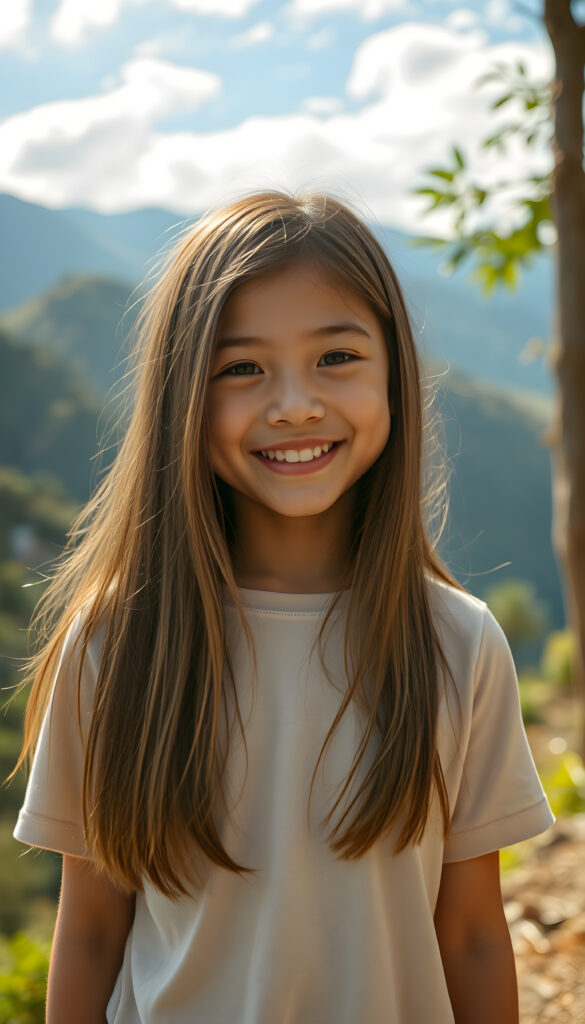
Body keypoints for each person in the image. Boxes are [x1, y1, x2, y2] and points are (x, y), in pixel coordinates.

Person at [13, 190, 554, 1024]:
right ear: (180, 399)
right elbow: (88, 932)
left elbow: (474, 935)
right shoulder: (117, 643)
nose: (294, 403)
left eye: (336, 357)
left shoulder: (456, 643)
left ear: (395, 374)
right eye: (241, 368)